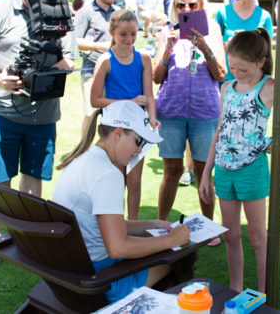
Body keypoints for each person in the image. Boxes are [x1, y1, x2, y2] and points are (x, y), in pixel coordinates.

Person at [0, 0, 78, 266]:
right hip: (5, 108)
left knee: (34, 174)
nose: (46, 2)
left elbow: (69, 58)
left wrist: (49, 71)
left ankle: (28, 235)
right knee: (1, 174)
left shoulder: (59, 11)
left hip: (44, 111)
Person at [199, 30, 280, 292]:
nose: (237, 73)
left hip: (252, 171)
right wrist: (205, 173)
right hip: (223, 171)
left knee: (258, 238)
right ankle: (235, 290)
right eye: (233, 67)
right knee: (231, 235)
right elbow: (220, 131)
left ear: (261, 62)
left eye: (243, 69)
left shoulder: (270, 87)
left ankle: (263, 294)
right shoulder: (226, 87)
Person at [52, 100, 190, 303]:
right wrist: (172, 240)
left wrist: (151, 224)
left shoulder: (84, 159)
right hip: (101, 281)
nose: (139, 151)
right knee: (181, 256)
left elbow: (103, 225)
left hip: (74, 271)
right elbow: (118, 247)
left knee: (159, 246)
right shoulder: (108, 174)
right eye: (138, 141)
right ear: (118, 133)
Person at [153, 0, 227, 246]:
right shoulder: (167, 30)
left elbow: (221, 74)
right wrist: (167, 50)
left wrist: (204, 46)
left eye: (191, 5)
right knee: (171, 171)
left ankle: (209, 228)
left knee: (203, 171)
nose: (185, 10)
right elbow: (156, 77)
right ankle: (162, 225)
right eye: (180, 5)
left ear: (201, 4)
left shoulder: (213, 30)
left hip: (204, 111)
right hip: (171, 110)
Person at [90, 10, 158, 220]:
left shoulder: (144, 58)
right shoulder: (105, 60)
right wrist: (128, 102)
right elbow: (95, 100)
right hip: (114, 129)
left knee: (135, 181)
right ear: (112, 32)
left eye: (133, 34)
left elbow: (149, 96)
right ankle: (115, 224)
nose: (129, 39)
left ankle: (132, 224)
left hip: (137, 127)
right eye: (123, 34)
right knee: (116, 179)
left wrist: (153, 118)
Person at [74, 0, 117, 133]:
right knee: (91, 113)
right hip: (91, 70)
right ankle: (83, 152)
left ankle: (109, 153)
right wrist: (101, 46)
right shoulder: (85, 12)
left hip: (114, 71)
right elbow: (76, 42)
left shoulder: (118, 13)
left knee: (112, 114)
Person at [215, 0, 273, 82]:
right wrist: (227, 45)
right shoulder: (223, 12)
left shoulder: (265, 16)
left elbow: (268, 52)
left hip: (254, 79)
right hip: (227, 77)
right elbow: (215, 45)